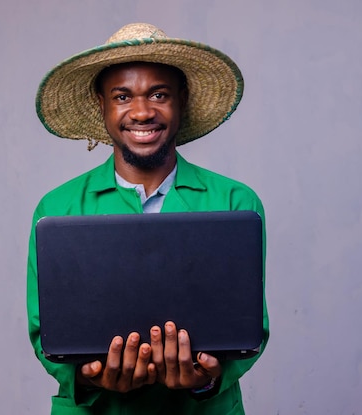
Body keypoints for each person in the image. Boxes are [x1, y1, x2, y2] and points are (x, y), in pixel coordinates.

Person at [27, 22, 268, 415]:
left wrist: (206, 380)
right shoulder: (57, 208)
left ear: (182, 102)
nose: (142, 112)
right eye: (122, 96)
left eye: (159, 94)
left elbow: (249, 330)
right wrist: (90, 377)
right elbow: (47, 337)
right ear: (101, 104)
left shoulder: (236, 202)